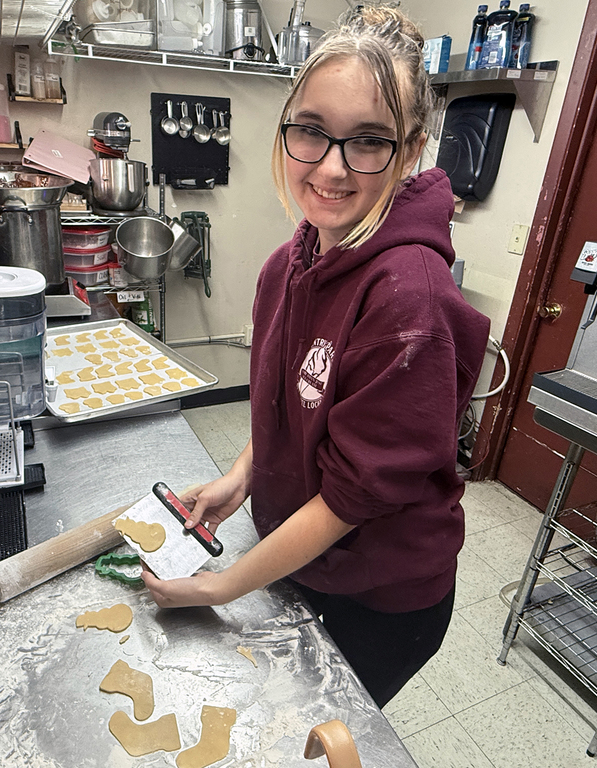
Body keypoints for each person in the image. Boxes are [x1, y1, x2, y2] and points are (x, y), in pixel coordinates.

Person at [141, 5, 491, 708]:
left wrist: (220, 586)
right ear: (288, 128)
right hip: (307, 556)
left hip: (382, 595)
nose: (330, 168)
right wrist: (240, 478)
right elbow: (289, 407)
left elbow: (351, 496)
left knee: (305, 737)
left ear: (412, 146)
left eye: (367, 142)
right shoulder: (289, 263)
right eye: (312, 132)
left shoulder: (407, 299)